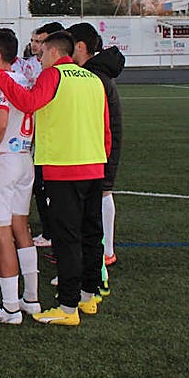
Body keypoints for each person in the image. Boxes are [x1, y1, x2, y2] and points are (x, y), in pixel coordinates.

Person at [0, 30, 110, 327]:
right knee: (91, 234)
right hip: (94, 165)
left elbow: (28, 103)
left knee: (66, 238)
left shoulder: (54, 75)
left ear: (53, 53)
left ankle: (67, 307)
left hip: (64, 166)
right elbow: (106, 128)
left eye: (41, 55)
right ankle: (88, 296)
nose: (38, 61)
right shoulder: (93, 79)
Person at [0, 28, 40, 325]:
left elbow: (0, 120)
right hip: (24, 157)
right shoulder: (24, 80)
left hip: (2, 163)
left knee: (0, 233)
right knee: (21, 227)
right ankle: (31, 299)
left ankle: (10, 308)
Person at [68, 22, 124, 273]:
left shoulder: (94, 76)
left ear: (80, 46)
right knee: (101, 195)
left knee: (101, 195)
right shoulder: (96, 73)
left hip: (100, 146)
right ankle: (102, 253)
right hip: (100, 145)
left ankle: (102, 255)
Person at [25, 23, 62, 247]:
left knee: (48, 189)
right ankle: (50, 230)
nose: (37, 47)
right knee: (40, 187)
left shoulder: (52, 74)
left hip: (54, 144)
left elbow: (31, 102)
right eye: (35, 42)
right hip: (42, 140)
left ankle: (52, 232)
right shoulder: (33, 66)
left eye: (42, 43)